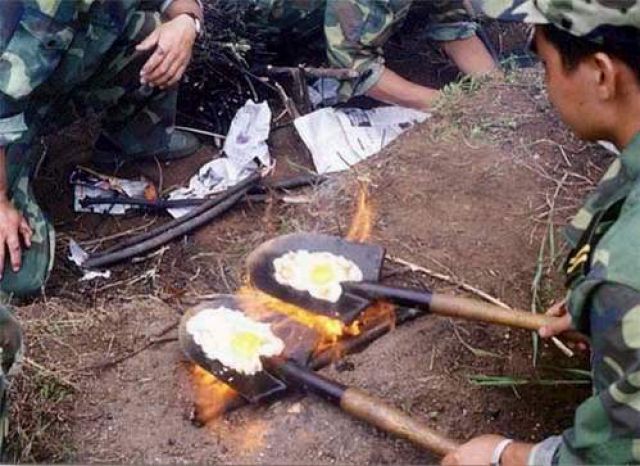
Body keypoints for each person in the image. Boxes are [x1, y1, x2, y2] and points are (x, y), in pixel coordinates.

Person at [442, 0, 640, 465]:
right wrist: (603, 312)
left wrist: (506, 455)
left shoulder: (627, 276)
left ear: (602, 74)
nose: (546, 83)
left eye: (545, 64)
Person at [0, 0, 203, 451]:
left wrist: (187, 21)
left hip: (32, 85)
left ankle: (135, 138)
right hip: (4, 98)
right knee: (22, 272)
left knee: (152, 33)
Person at [245, 0, 498, 109]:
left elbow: (452, 25)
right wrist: (452, 106)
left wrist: (500, 91)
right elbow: (354, 65)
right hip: (254, 32)